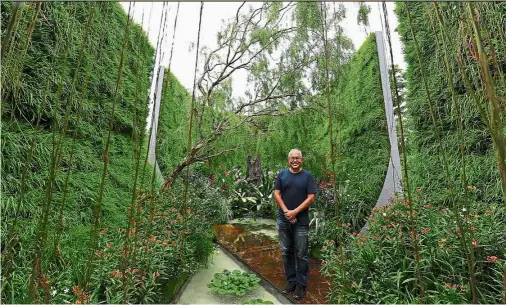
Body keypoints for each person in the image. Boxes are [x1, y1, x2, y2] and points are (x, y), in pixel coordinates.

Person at [273, 149, 317, 300]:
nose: (295, 161)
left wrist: (295, 212)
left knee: (302, 254)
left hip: (301, 222)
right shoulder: (282, 175)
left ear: (302, 159)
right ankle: (291, 281)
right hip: (283, 219)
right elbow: (276, 193)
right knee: (286, 251)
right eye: (292, 158)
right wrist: (286, 212)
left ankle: (301, 285)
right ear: (288, 159)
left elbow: (311, 197)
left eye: (297, 158)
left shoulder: (307, 176)